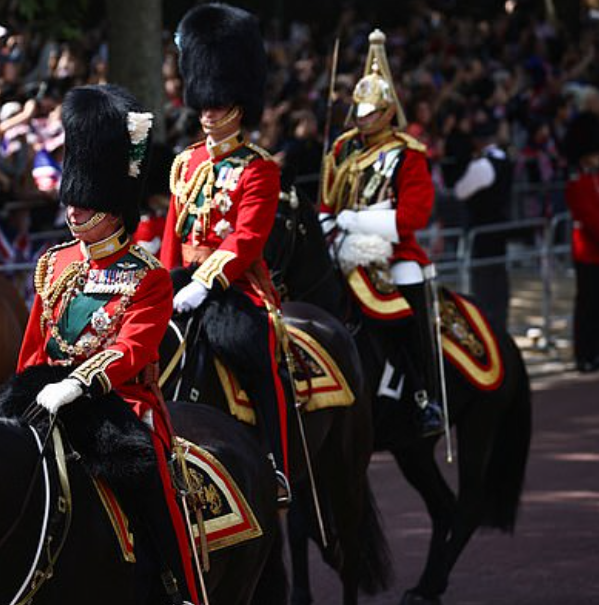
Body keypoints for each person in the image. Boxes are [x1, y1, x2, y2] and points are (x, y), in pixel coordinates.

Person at [17, 84, 198, 605]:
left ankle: (176, 583)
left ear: (114, 208)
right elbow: (34, 344)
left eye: (87, 202)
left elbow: (134, 349)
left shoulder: (149, 275)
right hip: (46, 393)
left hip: (117, 401)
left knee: (148, 480)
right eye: (72, 200)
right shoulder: (55, 262)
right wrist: (27, 389)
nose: (74, 212)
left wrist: (76, 383)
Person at [161, 3, 293, 503]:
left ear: (241, 106)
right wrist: (166, 281)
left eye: (221, 105)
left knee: (255, 359)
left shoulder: (258, 168)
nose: (210, 113)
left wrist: (204, 282)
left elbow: (247, 239)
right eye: (205, 105)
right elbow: (174, 230)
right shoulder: (186, 162)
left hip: (234, 286)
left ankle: (276, 462)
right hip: (183, 281)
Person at [319, 29, 443, 437]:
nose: (361, 118)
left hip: (393, 250)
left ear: (388, 111)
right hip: (342, 243)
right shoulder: (342, 149)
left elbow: (412, 217)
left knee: (407, 295)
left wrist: (358, 220)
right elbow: (326, 202)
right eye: (358, 110)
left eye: (370, 111)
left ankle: (426, 392)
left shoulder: (407, 154)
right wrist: (329, 224)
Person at [452, 113, 513, 329]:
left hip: (483, 232)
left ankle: (489, 329)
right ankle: (499, 326)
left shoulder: (482, 165)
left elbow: (460, 192)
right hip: (500, 231)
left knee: (485, 287)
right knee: (499, 285)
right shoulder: (505, 161)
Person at [563, 111, 599, 373]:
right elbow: (589, 216)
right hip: (588, 251)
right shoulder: (578, 180)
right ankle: (585, 354)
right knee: (587, 304)